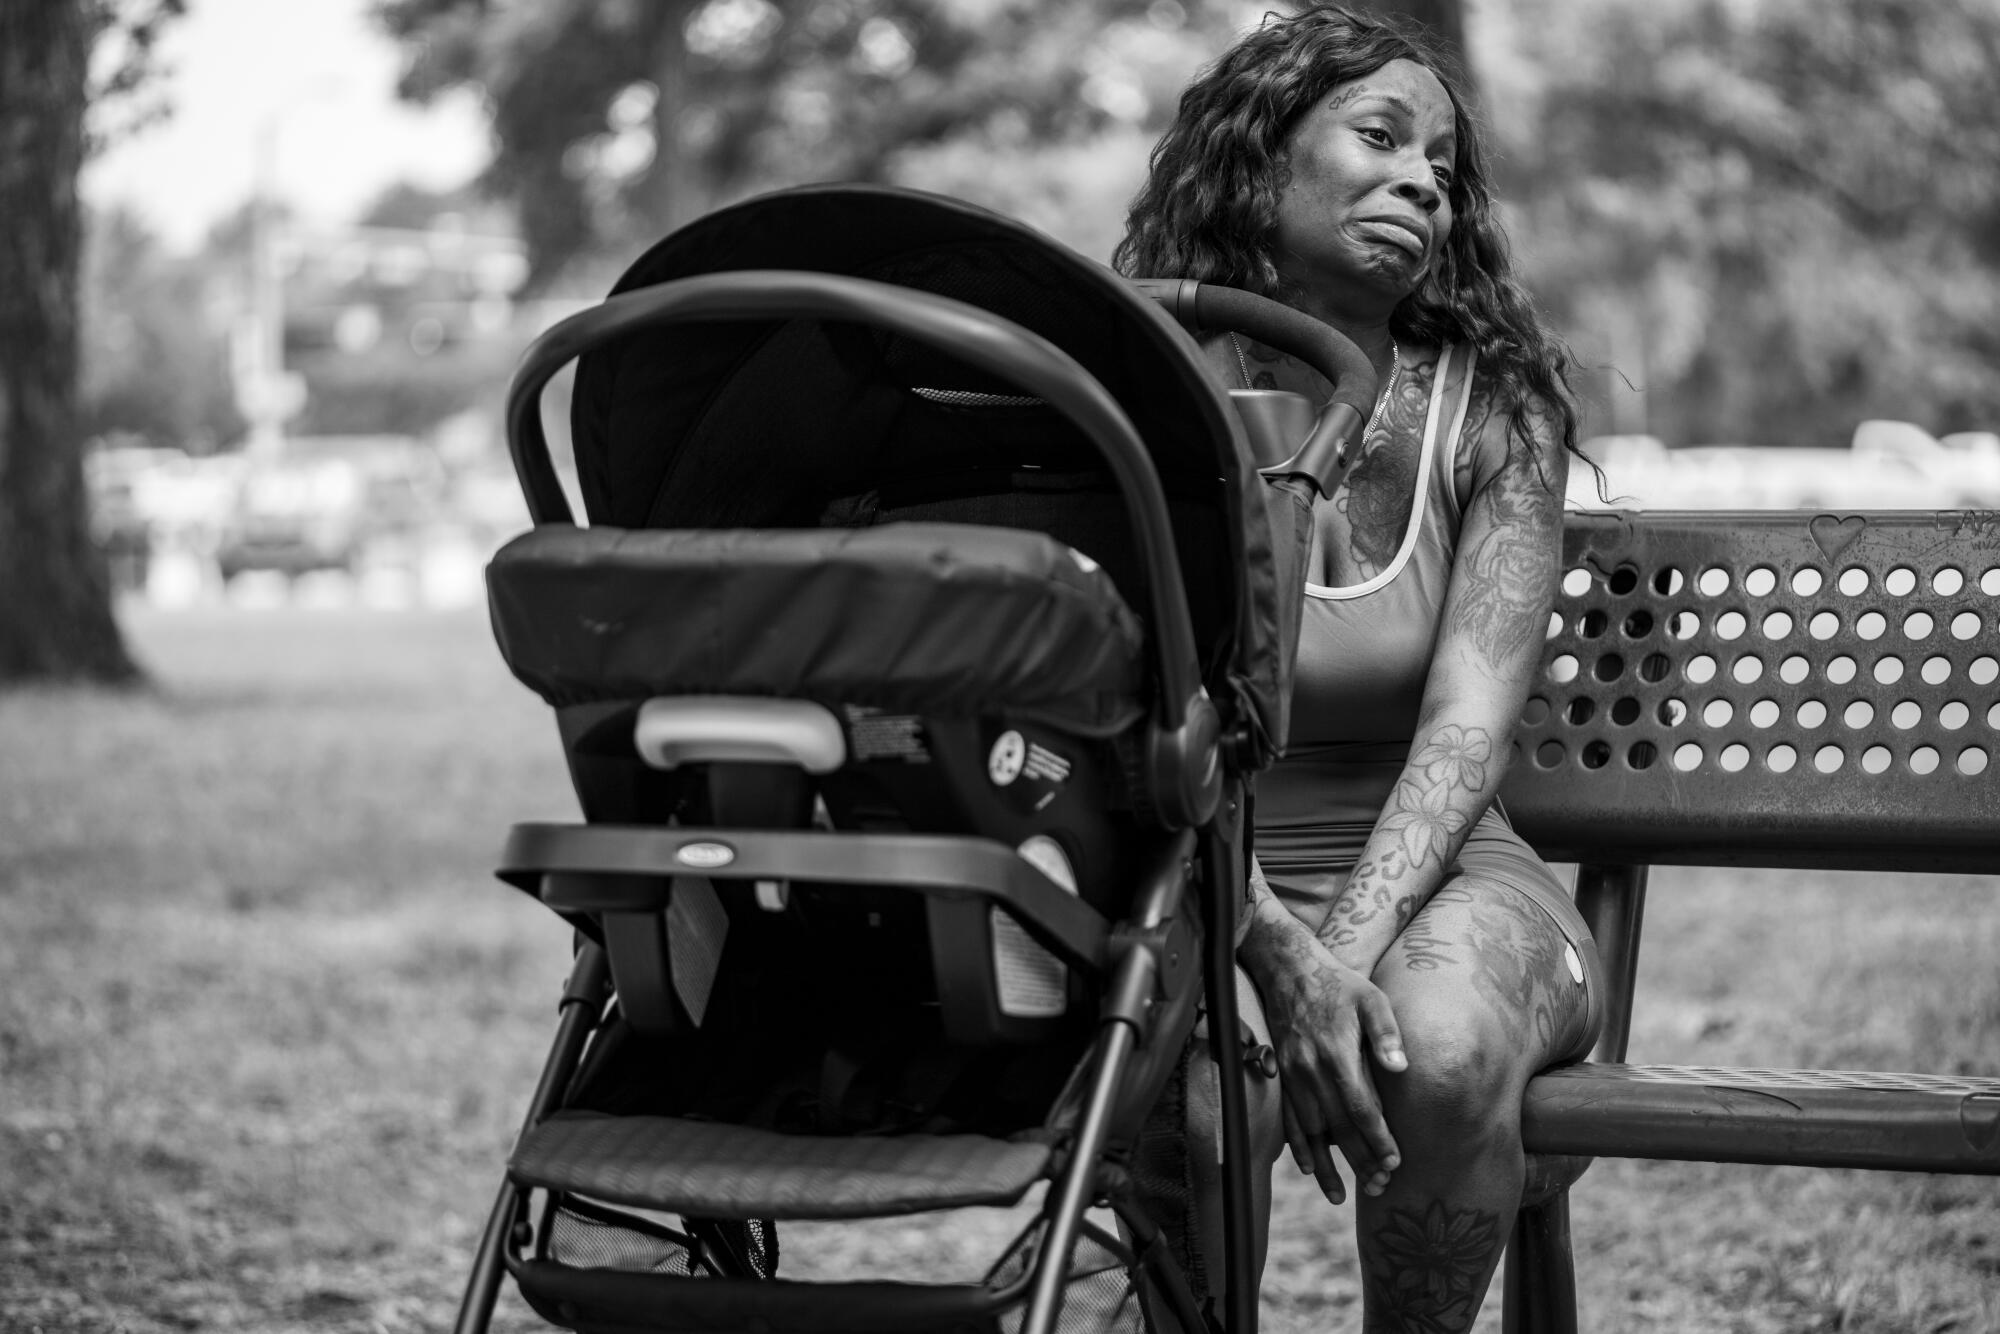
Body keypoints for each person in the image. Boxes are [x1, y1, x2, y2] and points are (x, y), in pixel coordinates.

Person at [1113, 7, 1607, 1329]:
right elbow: (1121, 719)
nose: (1421, 185)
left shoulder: (1495, 408)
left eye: (1442, 171)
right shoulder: (1139, 393)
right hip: (1202, 875)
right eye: (1379, 138)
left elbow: (1464, 732)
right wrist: (1269, 944)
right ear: (1257, 161)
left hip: (1451, 873)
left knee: (1432, 1047)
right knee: (1200, 1063)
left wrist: (1340, 955)